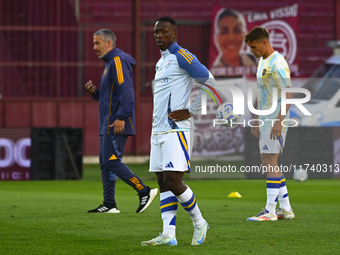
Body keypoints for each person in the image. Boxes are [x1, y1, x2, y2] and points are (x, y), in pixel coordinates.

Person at [141, 17, 215, 247]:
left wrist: (191, 110)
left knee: (174, 181)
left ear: (175, 34)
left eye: (163, 32)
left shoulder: (181, 56)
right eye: (156, 33)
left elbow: (210, 81)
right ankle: (168, 234)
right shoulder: (161, 62)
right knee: (163, 181)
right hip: (159, 131)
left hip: (176, 131)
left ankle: (200, 222)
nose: (159, 36)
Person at [85, 29, 158, 214]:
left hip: (116, 122)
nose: (94, 47)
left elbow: (127, 91)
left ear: (109, 43)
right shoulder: (110, 63)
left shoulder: (118, 61)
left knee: (111, 161)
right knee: (105, 162)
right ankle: (109, 204)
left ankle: (144, 190)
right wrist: (96, 93)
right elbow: (111, 96)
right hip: (108, 122)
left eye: (97, 43)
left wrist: (121, 117)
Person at [245, 26, 295, 221]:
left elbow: (289, 93)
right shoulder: (262, 61)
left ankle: (270, 211)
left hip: (275, 120)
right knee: (268, 161)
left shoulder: (278, 63)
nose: (252, 51)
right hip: (265, 119)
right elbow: (262, 91)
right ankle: (286, 209)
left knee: (270, 162)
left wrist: (278, 121)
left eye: (254, 47)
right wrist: (257, 118)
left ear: (265, 42)